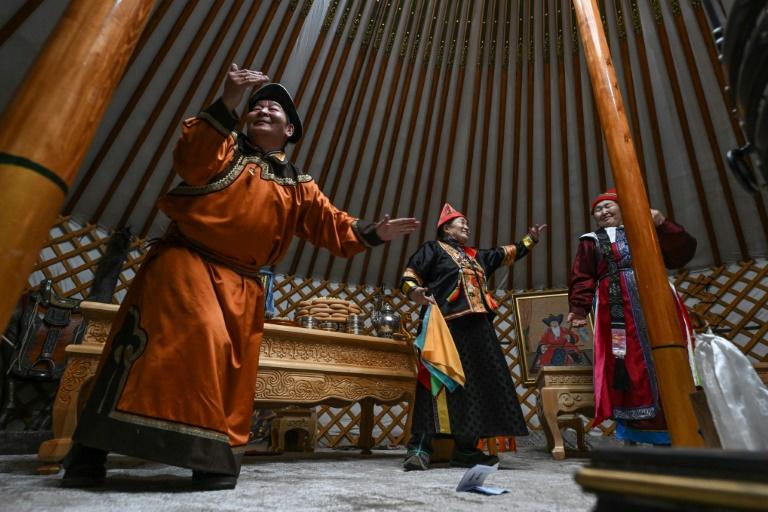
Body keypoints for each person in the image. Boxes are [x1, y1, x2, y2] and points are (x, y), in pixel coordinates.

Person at [62, 64, 419, 490]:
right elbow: (189, 160)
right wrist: (229, 100)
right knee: (180, 348)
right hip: (187, 264)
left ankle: (208, 460)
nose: (265, 107)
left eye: (277, 107)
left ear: (290, 131)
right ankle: (95, 451)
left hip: (246, 285)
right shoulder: (224, 148)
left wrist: (375, 232)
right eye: (259, 104)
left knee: (230, 371)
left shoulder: (299, 185)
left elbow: (333, 227)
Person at [400, 203, 546, 470]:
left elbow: (505, 253)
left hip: (479, 329)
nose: (466, 226)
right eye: (461, 222)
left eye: (467, 222)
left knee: (476, 386)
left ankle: (466, 450)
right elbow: (409, 277)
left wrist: (530, 240)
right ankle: (419, 447)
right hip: (445, 326)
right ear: (446, 227)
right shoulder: (432, 249)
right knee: (436, 383)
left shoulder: (475, 256)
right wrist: (416, 294)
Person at [568, 188, 697, 445]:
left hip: (655, 300)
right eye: (598, 209)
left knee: (668, 356)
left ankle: (681, 423)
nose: (604, 212)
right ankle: (634, 429)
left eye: (609, 206)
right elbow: (582, 276)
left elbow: (680, 254)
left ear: (622, 208)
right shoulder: (591, 240)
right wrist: (579, 309)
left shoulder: (645, 229)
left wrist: (662, 224)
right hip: (615, 309)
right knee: (624, 361)